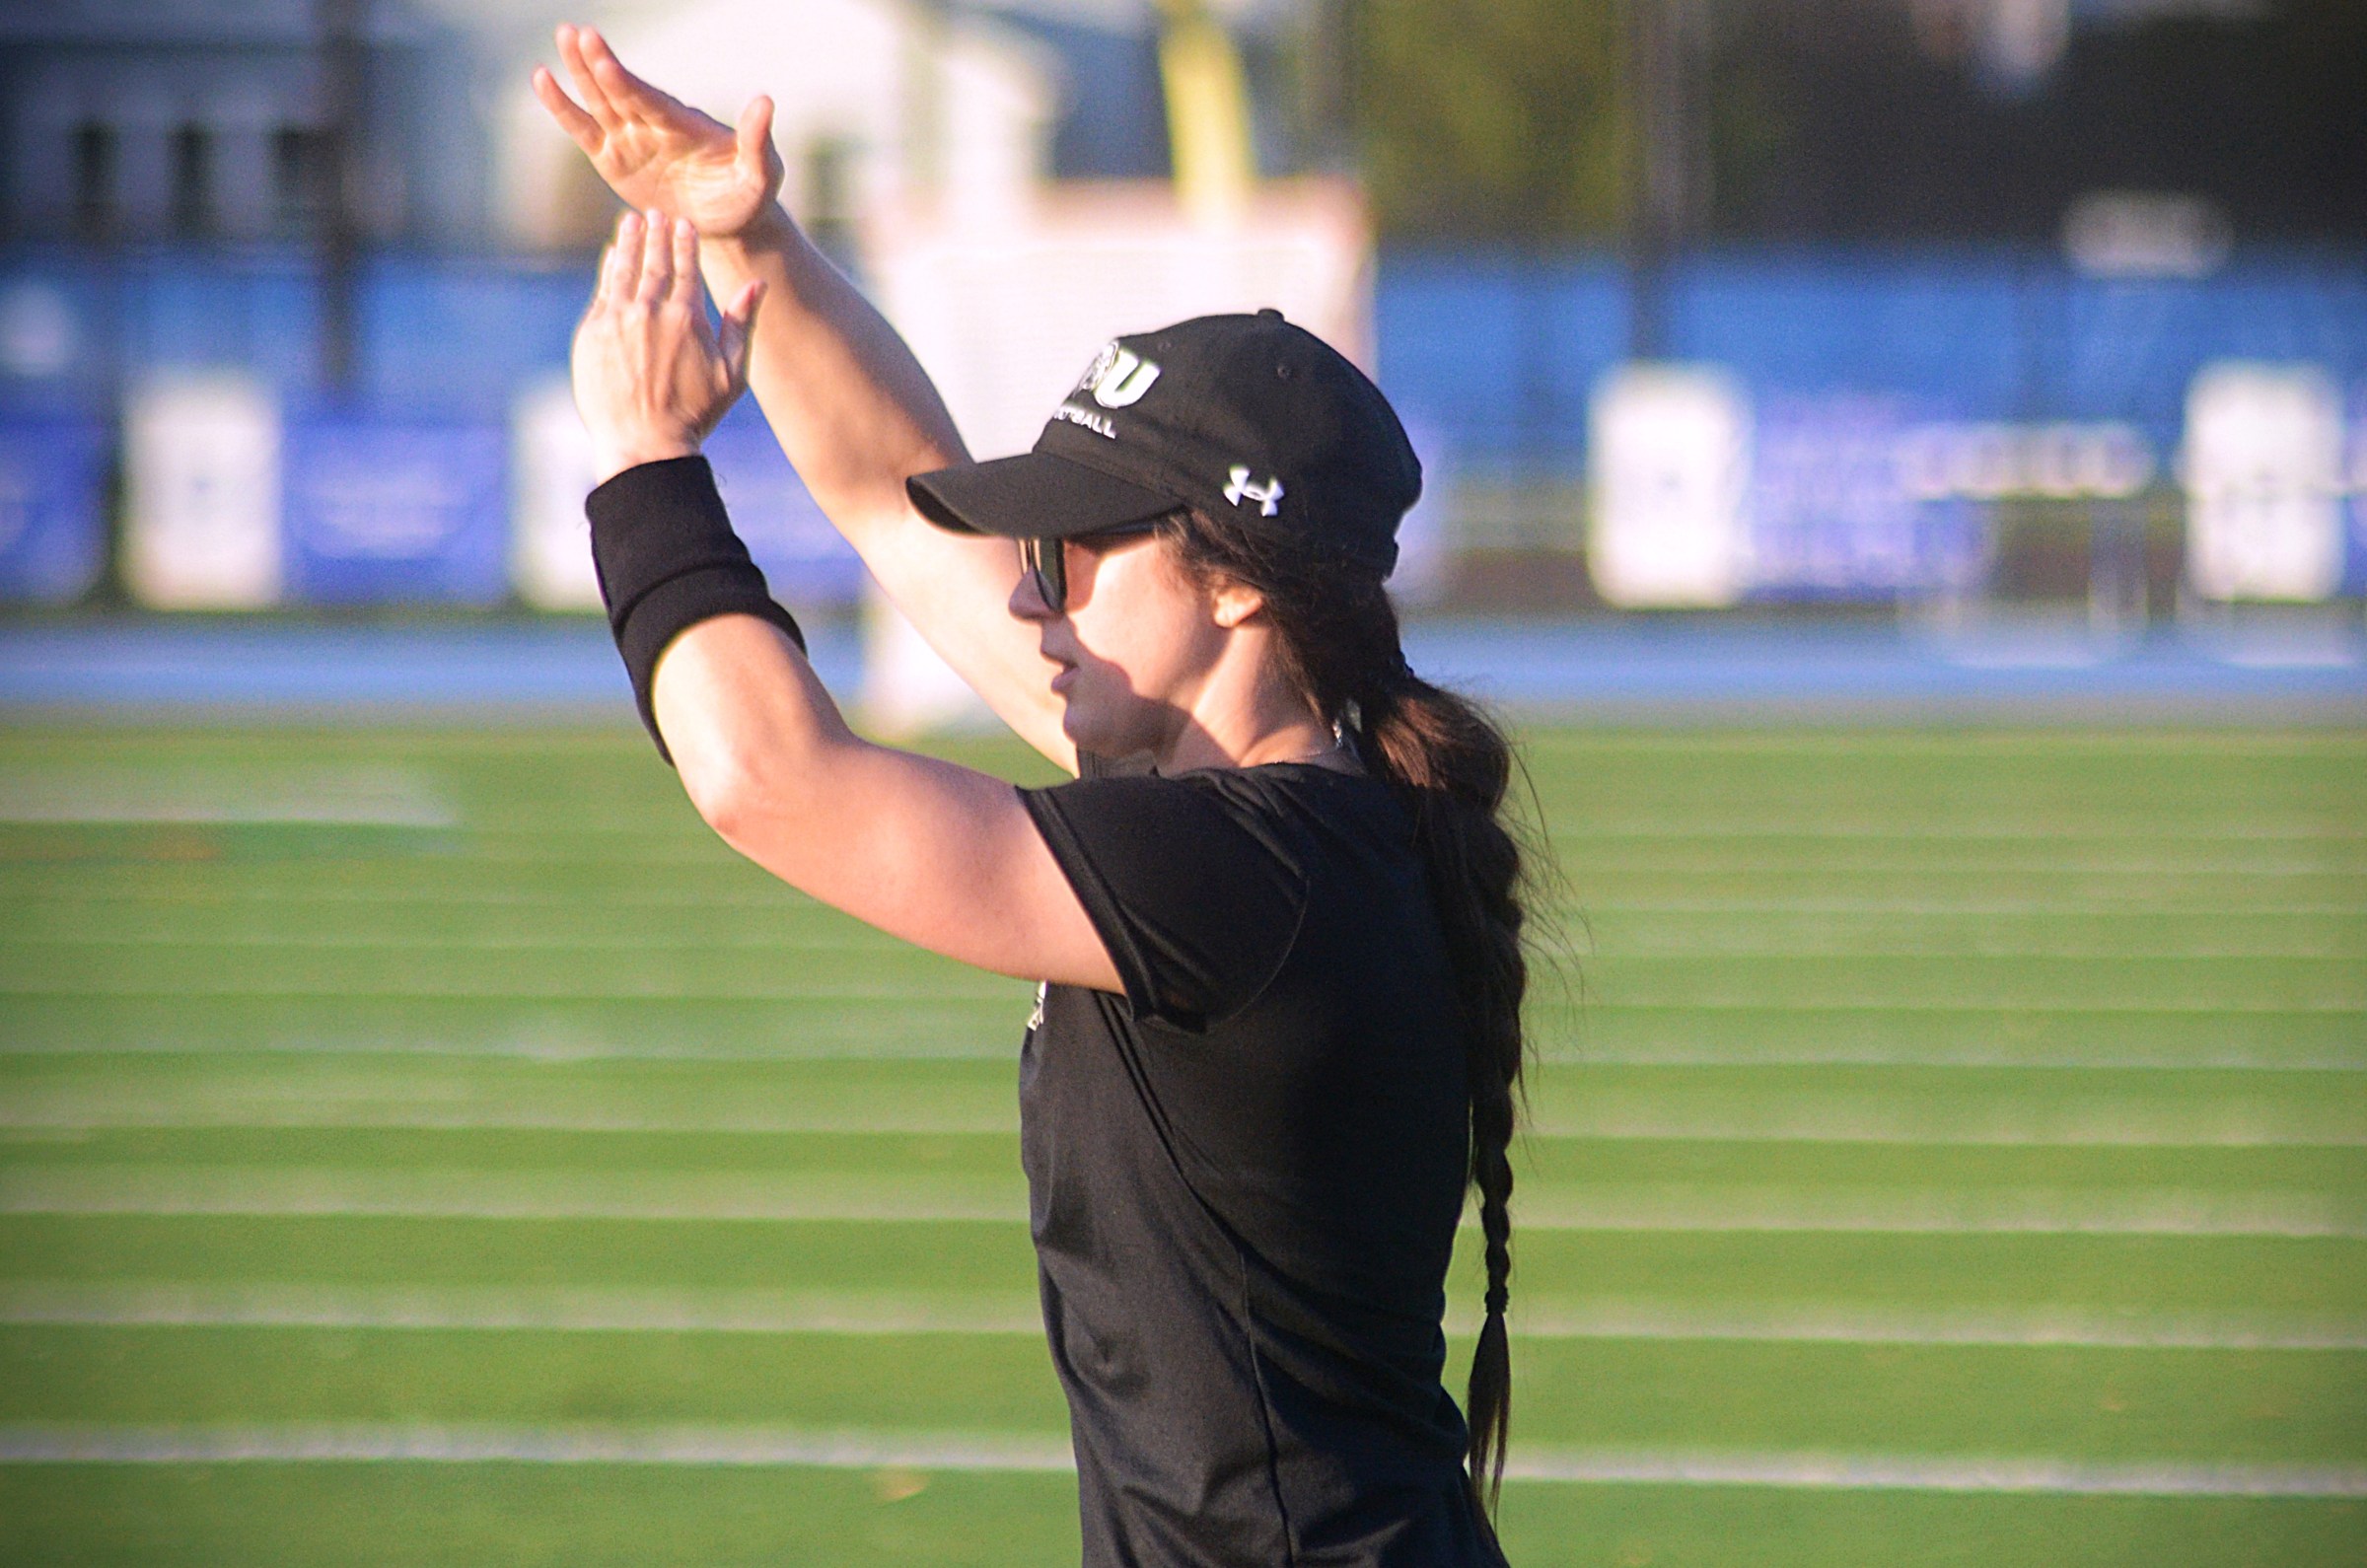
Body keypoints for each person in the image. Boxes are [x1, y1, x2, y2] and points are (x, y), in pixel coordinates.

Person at [544, 27, 1537, 1567]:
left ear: (1241, 591)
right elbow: (896, 491)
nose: (1035, 587)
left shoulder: (1246, 881)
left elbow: (766, 778)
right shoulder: (1258, 818)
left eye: (1084, 546)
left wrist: (639, 464)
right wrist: (756, 241)